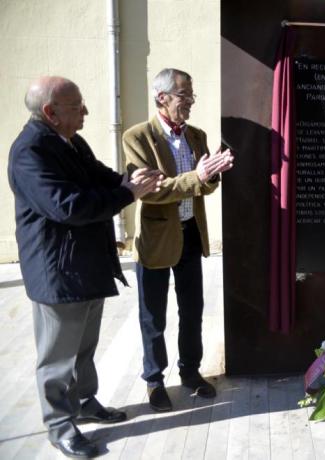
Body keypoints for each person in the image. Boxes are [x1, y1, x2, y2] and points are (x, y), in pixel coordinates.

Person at [8, 76, 162, 458]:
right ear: (50, 113)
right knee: (57, 356)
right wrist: (127, 194)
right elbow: (68, 206)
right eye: (77, 106)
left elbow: (99, 177)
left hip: (85, 266)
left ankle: (83, 402)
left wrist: (130, 180)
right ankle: (60, 426)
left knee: (84, 348)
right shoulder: (30, 152)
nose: (86, 112)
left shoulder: (71, 142)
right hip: (57, 272)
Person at [123, 68, 234, 412]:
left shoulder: (197, 136)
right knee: (153, 316)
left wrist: (212, 175)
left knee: (193, 310)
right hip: (157, 239)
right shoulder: (138, 137)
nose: (190, 104)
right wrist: (197, 176)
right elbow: (151, 191)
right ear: (162, 98)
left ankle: (190, 372)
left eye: (191, 97)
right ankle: (155, 381)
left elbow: (204, 186)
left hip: (190, 234)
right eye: (185, 97)